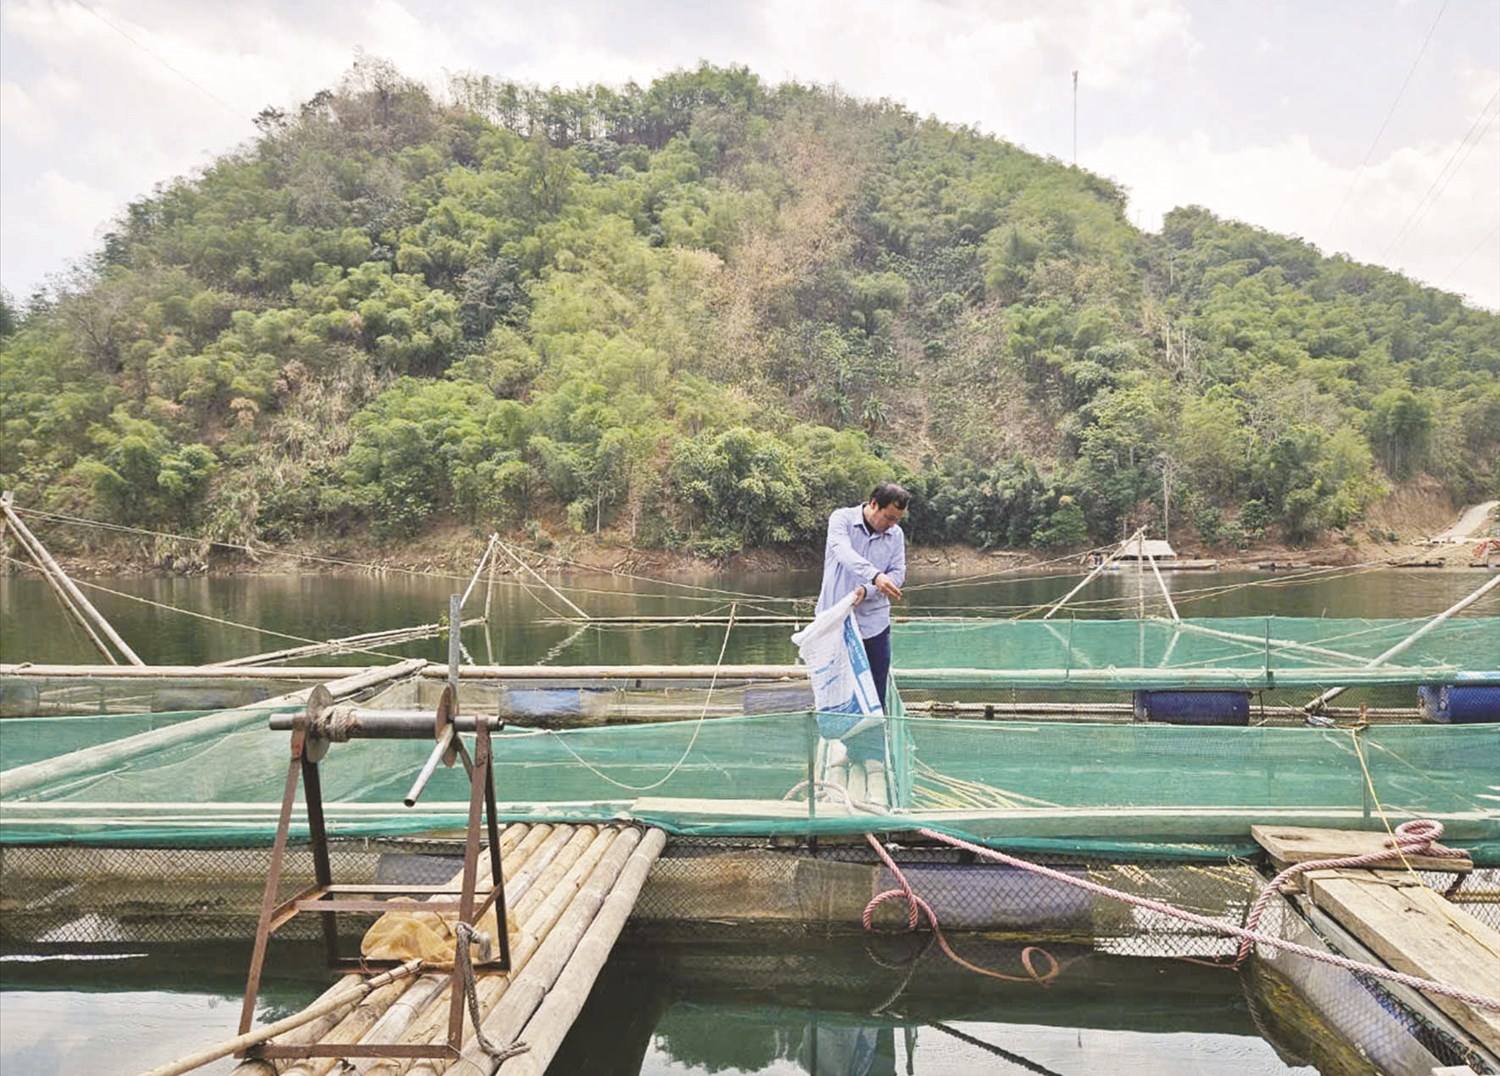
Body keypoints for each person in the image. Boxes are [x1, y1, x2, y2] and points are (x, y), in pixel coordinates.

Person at [815, 481, 909, 713]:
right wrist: (875, 575)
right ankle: (836, 743)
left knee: (875, 697)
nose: (892, 525)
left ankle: (872, 746)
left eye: (897, 519)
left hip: (873, 626)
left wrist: (868, 590)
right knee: (834, 692)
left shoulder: (895, 534)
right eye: (889, 517)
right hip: (834, 623)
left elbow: (897, 573)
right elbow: (843, 552)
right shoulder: (842, 520)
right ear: (874, 504)